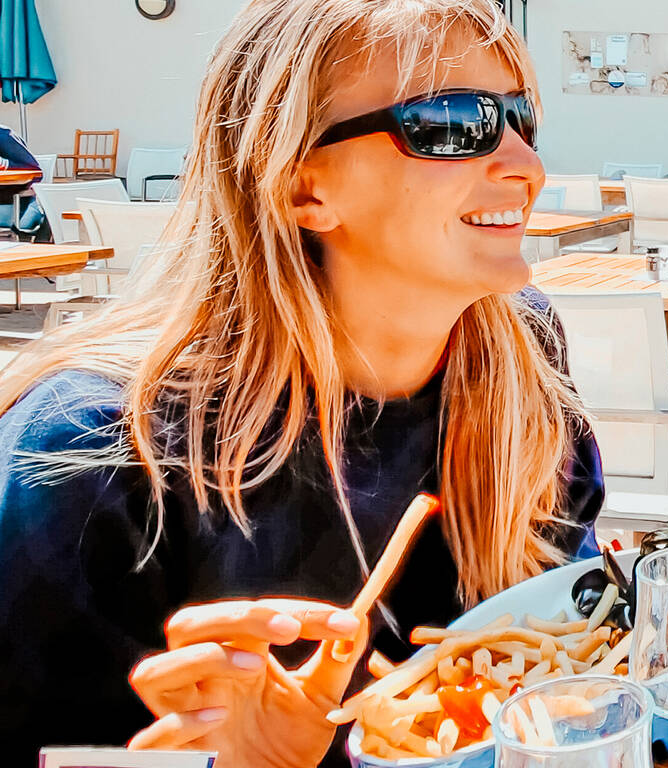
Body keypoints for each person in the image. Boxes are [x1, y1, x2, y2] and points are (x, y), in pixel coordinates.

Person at [0, 0, 603, 764]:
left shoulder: (520, 356)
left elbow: (577, 633)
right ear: (300, 186)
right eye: (453, 122)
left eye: (521, 119)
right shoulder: (97, 456)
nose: (525, 165)